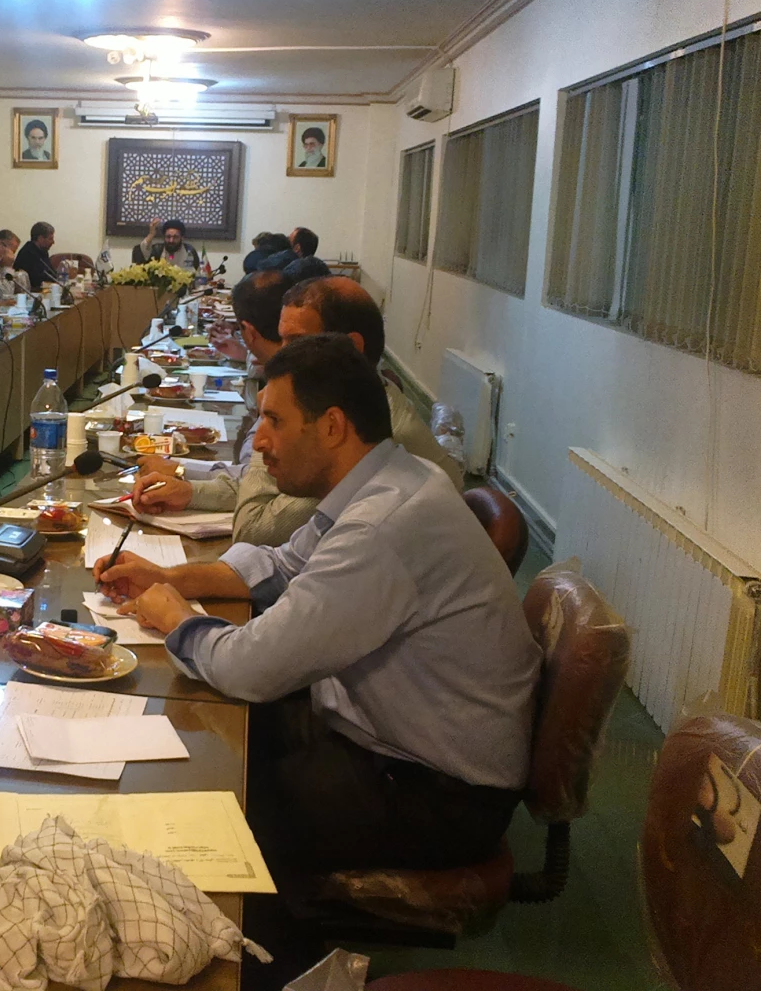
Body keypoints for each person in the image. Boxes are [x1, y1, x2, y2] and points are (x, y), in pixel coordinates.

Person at [96, 333, 540, 884]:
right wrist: (168, 578)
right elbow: (283, 565)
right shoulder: (388, 478)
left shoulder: (383, 525)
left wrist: (177, 619)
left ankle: (268, 935)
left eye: (274, 421)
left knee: (204, 806)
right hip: (383, 732)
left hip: (434, 791)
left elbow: (250, 668)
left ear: (332, 426)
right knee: (206, 739)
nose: (259, 442)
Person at [130, 270, 317, 547]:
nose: (287, 352)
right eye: (283, 340)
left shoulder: (318, 408)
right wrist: (186, 484)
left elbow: (255, 524)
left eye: (295, 341)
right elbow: (255, 480)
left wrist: (267, 422)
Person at [279, 276, 464, 490]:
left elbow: (259, 513)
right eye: (282, 340)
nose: (281, 356)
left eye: (297, 342)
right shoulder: (347, 402)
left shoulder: (376, 436)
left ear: (352, 348)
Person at [133, 218, 201, 271]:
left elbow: (196, 273)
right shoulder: (157, 249)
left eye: (175, 237)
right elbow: (142, 251)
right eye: (168, 237)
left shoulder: (189, 251)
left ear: (182, 238)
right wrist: (151, 234)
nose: (171, 240)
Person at [11, 221, 57, 291]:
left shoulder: (43, 251)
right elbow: (36, 281)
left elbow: (50, 274)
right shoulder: (27, 253)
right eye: (50, 239)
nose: (53, 242)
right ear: (40, 238)